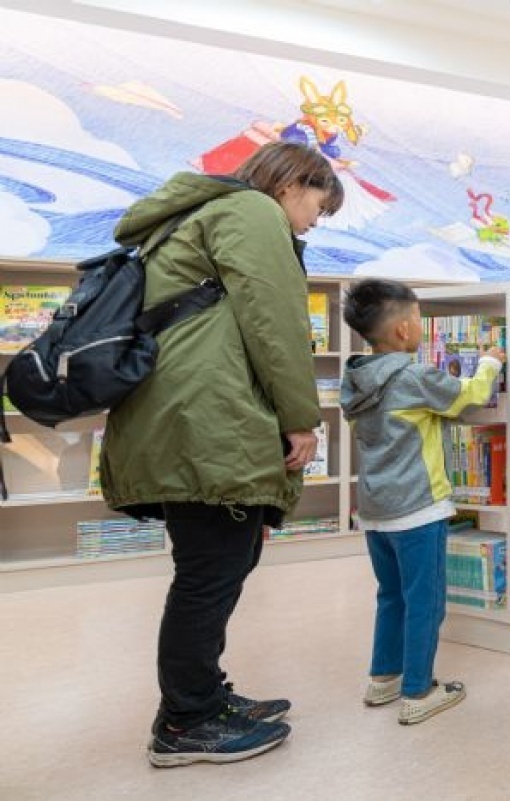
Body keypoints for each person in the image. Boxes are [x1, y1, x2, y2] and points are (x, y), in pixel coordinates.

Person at [99, 142, 344, 767]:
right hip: (210, 419)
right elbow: (277, 320)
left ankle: (201, 697)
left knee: (211, 569)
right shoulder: (252, 212)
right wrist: (300, 418)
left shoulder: (191, 218)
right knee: (208, 576)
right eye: (321, 203)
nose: (317, 219)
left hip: (180, 415)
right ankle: (186, 723)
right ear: (293, 183)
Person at [341, 279, 505, 724]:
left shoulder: (354, 377)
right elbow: (467, 396)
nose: (421, 330)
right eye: (418, 321)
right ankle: (419, 690)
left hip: (375, 512)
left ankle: (383, 679)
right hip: (417, 509)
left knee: (390, 595)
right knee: (425, 601)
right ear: (402, 332)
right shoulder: (413, 377)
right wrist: (489, 363)